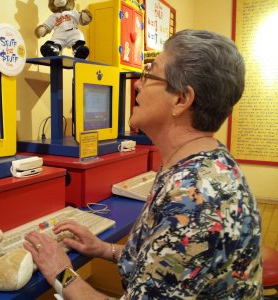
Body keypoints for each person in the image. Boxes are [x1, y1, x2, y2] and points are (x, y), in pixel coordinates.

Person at [24, 29, 262, 299]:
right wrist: (103, 248)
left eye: (149, 74)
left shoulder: (193, 197)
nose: (137, 84)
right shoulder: (204, 163)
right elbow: (161, 260)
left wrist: (61, 273)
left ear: (182, 99)